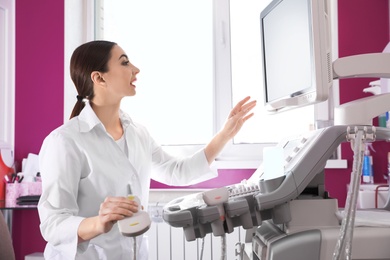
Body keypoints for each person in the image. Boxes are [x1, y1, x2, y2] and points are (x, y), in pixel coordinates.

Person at [37, 40, 256, 260]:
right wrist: (99, 222)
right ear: (99, 78)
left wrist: (224, 135)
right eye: (124, 63)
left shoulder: (137, 133)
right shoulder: (65, 142)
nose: (135, 69)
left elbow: (176, 171)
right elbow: (53, 224)